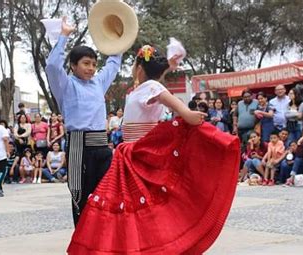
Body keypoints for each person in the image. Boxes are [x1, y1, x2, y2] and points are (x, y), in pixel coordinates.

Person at [68, 45, 239, 254]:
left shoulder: (149, 86)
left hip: (138, 154)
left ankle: (142, 245)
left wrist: (185, 112)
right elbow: (156, 86)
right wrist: (168, 67)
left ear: (139, 67)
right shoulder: (142, 87)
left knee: (137, 205)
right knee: (131, 205)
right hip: (128, 155)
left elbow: (163, 94)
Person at [45, 17, 122, 225]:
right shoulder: (65, 85)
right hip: (79, 145)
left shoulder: (98, 82)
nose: (91, 68)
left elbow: (114, 63)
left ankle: (104, 242)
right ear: (73, 65)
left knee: (105, 195)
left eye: (94, 64)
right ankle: (82, 242)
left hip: (102, 146)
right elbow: (52, 66)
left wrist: (120, 36)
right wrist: (64, 36)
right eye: (86, 63)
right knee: (80, 195)